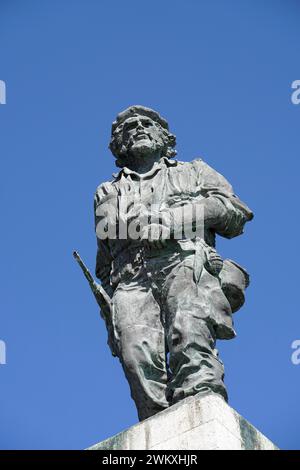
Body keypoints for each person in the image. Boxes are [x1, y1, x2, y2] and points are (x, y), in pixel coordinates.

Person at [94, 105, 253, 421]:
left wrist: (172, 220)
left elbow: (232, 213)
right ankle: (158, 424)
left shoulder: (194, 171)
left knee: (190, 336)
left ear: (164, 138)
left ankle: (202, 414)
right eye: (129, 127)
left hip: (185, 265)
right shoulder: (108, 190)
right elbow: (107, 233)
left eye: (146, 123)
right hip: (131, 278)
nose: (138, 127)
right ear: (119, 145)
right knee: (135, 353)